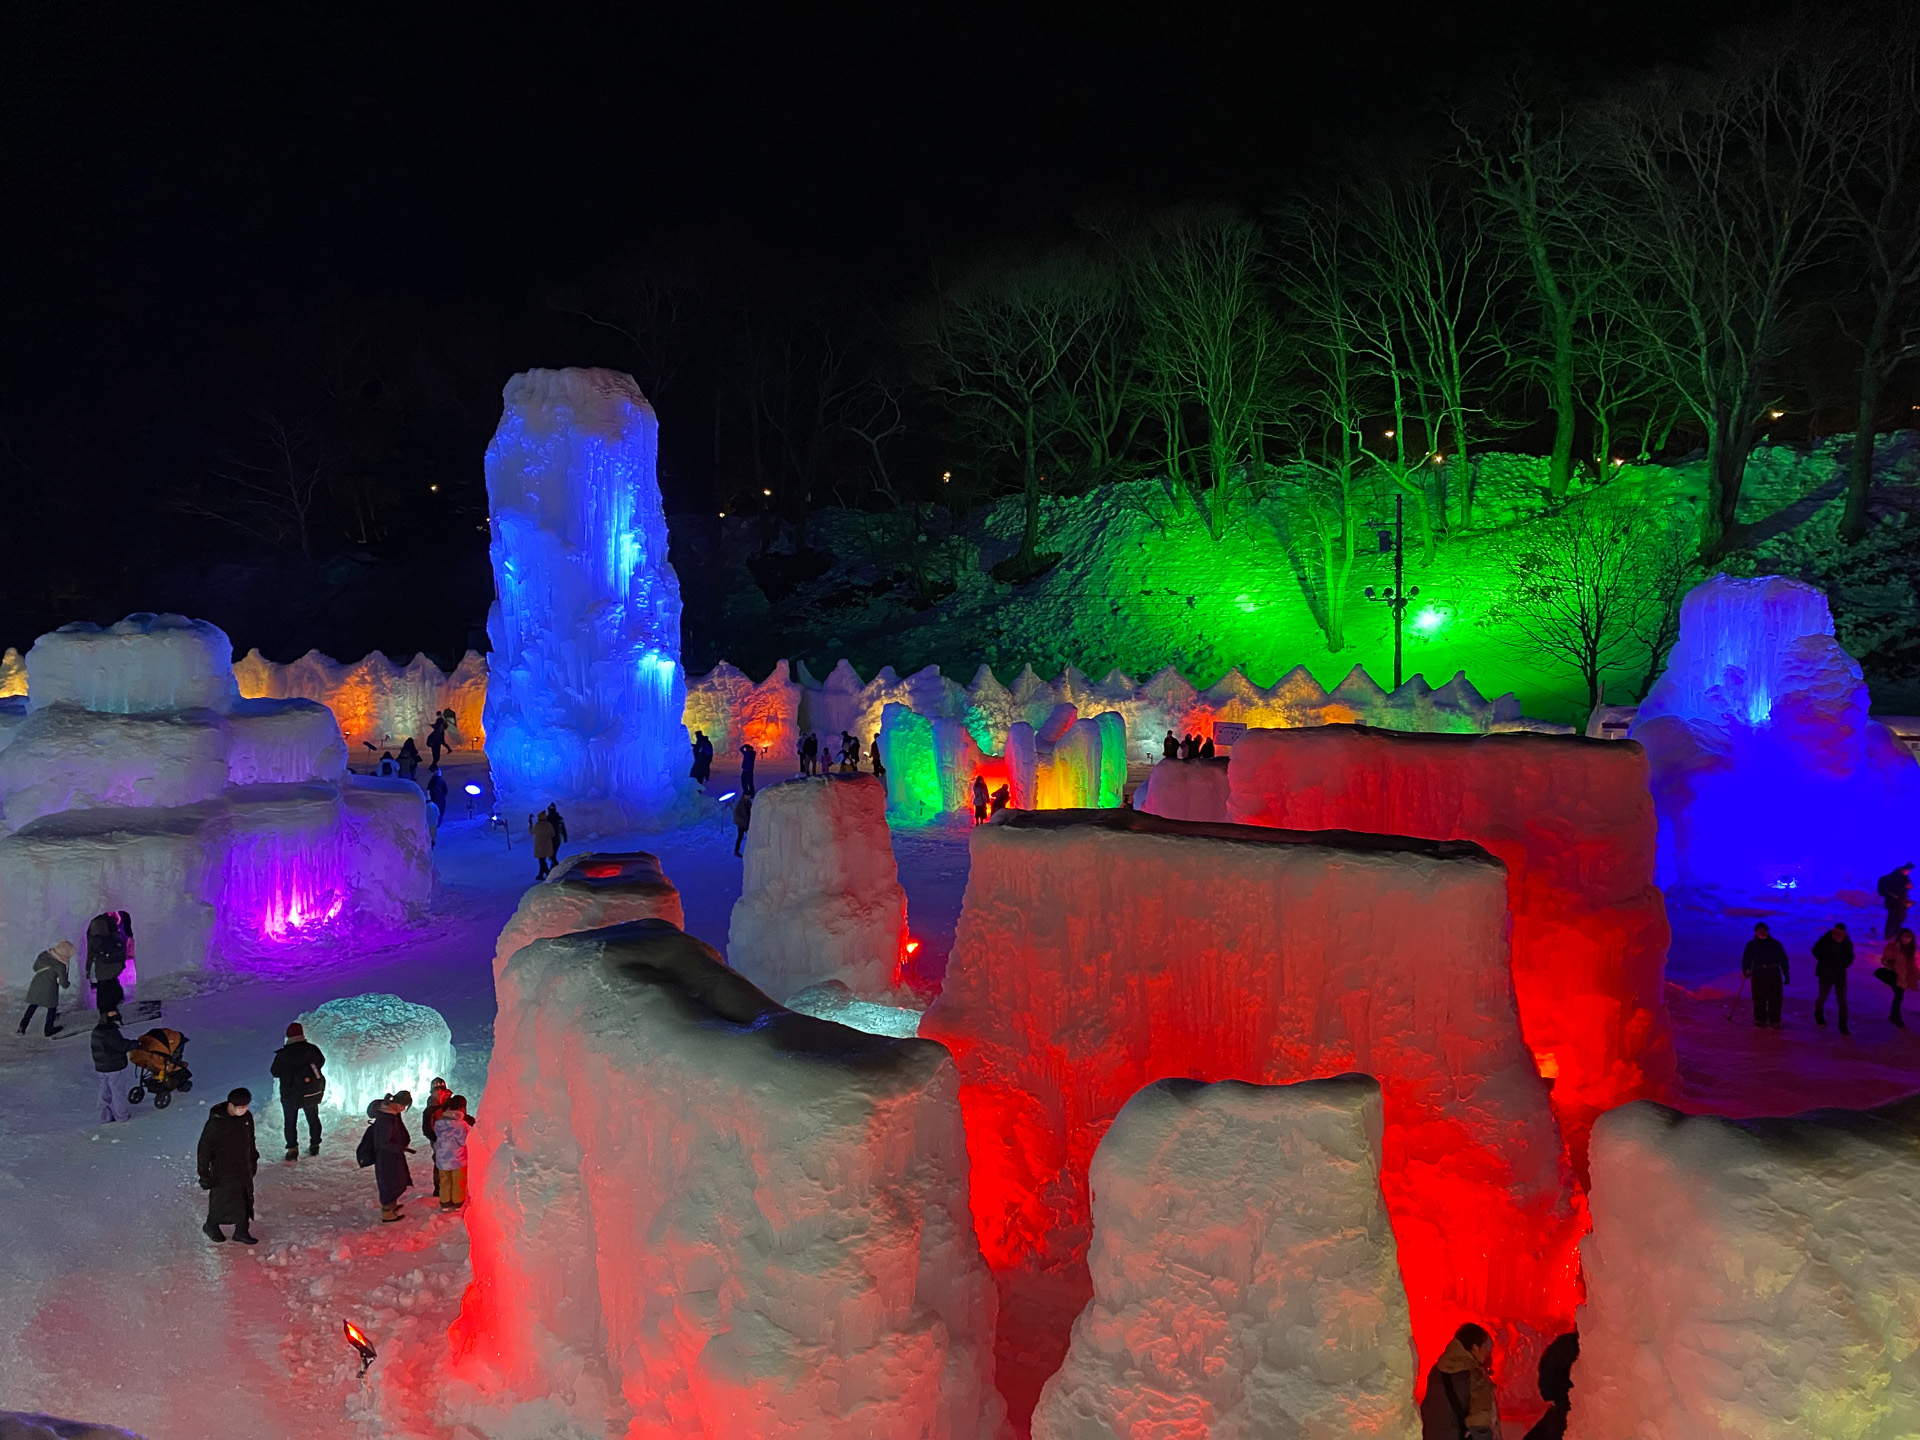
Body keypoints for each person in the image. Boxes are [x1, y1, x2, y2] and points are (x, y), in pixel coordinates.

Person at [198, 1087, 259, 1244]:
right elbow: (204, 1148)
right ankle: (211, 1225)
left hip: (243, 1167)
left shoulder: (247, 1118)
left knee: (245, 1198)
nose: (243, 1110)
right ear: (230, 1105)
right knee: (222, 1200)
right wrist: (203, 1173)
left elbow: (250, 1139)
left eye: (245, 1106)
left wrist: (253, 1158)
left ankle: (241, 1230)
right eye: (240, 1107)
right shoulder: (216, 1123)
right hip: (222, 1169)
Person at [1420, 1321, 1497, 1440]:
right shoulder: (1476, 1378)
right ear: (1475, 1348)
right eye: (1488, 1347)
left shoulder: (1436, 1372)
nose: (1490, 1353)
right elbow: (1480, 1424)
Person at [270, 1021, 327, 1161]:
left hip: (290, 1093)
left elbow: (275, 1072)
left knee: (290, 1121)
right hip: (310, 1091)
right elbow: (321, 1062)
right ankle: (315, 1144)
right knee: (313, 1118)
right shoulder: (312, 1049)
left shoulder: (283, 1055)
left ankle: (292, 1148)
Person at [1522, 1331, 1579, 1440]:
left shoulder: (1563, 1344)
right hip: (1567, 1406)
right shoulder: (1572, 1346)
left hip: (1561, 1406)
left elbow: (1546, 1369)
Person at [369, 1091, 415, 1223]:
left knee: (396, 1180)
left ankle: (392, 1205)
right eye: (403, 1106)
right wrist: (400, 1148)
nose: (403, 1109)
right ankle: (387, 1212)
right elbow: (384, 1142)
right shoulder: (386, 1118)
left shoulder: (392, 1114)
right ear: (398, 1104)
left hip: (392, 1155)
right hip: (387, 1157)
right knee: (389, 1182)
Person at [17, 939, 72, 1037]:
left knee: (32, 1005)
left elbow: (35, 968)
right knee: (51, 1008)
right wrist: (68, 983)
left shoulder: (43, 955)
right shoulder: (61, 965)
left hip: (36, 984)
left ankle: (22, 1027)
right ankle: (48, 1029)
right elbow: (64, 984)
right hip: (49, 989)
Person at [1742, 922, 1790, 1027]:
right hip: (1759, 973)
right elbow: (1746, 959)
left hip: (1773, 973)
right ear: (1756, 932)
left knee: (1775, 997)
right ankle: (1760, 1018)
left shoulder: (1775, 944)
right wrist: (1746, 969)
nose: (1762, 932)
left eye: (1764, 930)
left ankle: (1775, 1019)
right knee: (1759, 997)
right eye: (1759, 930)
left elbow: (1783, 959)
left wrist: (1786, 973)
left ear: (1767, 931)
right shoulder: (1751, 945)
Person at [92, 1008, 136, 1122]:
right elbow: (121, 1045)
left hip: (102, 1066)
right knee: (117, 1091)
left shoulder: (97, 1030)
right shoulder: (110, 1031)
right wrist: (136, 1044)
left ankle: (105, 1116)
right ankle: (121, 1116)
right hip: (114, 1066)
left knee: (104, 1091)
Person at [1812, 921, 1855, 1034]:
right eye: (1836, 932)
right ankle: (1819, 1014)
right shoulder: (1825, 939)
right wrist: (1825, 961)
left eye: (1841, 932)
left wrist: (1842, 964)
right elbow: (1815, 950)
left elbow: (1850, 957)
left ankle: (1842, 1024)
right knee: (1823, 995)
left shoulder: (1846, 943)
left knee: (1842, 1000)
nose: (1838, 934)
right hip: (1825, 973)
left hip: (1839, 974)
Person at [433, 1095, 474, 1211]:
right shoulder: (462, 1125)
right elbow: (463, 1141)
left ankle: (445, 1203)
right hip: (457, 1159)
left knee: (445, 1181)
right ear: (462, 1108)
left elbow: (437, 1136)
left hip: (442, 1158)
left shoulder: (439, 1123)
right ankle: (457, 1202)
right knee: (458, 1181)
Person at [86, 910, 126, 1015]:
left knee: (104, 987)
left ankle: (106, 1012)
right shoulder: (110, 923)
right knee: (111, 981)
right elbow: (119, 943)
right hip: (114, 962)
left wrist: (87, 966)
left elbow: (91, 951)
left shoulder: (95, 936)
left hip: (104, 963)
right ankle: (116, 1002)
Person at [1882, 927, 1919, 1028]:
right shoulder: (1892, 947)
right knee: (1898, 996)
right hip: (1895, 975)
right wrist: (1890, 963)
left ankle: (1894, 1016)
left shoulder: (1912, 948)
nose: (1906, 939)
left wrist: (1916, 974)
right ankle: (1896, 1017)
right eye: (1904, 937)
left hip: (1904, 976)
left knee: (1899, 996)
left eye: (1909, 937)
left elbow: (1913, 964)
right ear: (1900, 937)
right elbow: (1885, 959)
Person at [423, 1078, 452, 1197]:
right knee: (440, 1161)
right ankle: (440, 1188)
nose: (439, 1092)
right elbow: (427, 1126)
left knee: (450, 1161)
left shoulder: (449, 1103)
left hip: (449, 1137)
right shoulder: (431, 1107)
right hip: (438, 1138)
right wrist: (434, 1137)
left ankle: (447, 1187)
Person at [1880, 862, 1914, 939]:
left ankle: (1895, 934)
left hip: (1901, 902)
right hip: (1894, 902)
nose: (1908, 872)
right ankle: (1889, 935)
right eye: (1907, 870)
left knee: (1900, 918)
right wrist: (1904, 887)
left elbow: (1908, 886)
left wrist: (1908, 887)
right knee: (1893, 918)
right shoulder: (1894, 876)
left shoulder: (1905, 877)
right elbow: (1894, 888)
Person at [531, 810, 557, 880]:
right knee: (543, 860)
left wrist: (530, 822)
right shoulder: (549, 825)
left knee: (542, 861)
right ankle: (540, 875)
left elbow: (531, 832)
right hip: (548, 845)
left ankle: (548, 874)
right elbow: (553, 834)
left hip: (539, 846)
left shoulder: (537, 825)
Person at [733, 790, 753, 857]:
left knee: (748, 836)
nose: (749, 797)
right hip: (742, 824)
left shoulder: (748, 803)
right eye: (748, 795)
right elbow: (736, 814)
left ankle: (750, 850)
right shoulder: (740, 804)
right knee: (740, 837)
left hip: (746, 823)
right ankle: (736, 851)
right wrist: (741, 821)